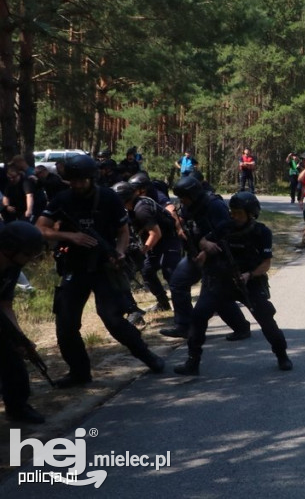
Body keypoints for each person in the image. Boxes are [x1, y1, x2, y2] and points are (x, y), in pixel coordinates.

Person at [36, 155, 165, 388]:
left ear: (91, 178)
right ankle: (79, 372)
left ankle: (147, 356)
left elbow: (123, 231)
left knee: (113, 320)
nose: (76, 185)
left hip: (104, 267)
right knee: (65, 324)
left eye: (81, 180)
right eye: (72, 180)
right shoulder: (62, 199)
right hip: (74, 267)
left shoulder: (108, 198)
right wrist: (69, 236)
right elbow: (40, 228)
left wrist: (119, 251)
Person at [174, 192, 291, 375]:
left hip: (249, 283)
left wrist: (249, 275)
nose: (234, 216)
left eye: (239, 213)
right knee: (198, 317)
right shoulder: (224, 227)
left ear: (251, 213)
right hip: (220, 281)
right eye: (233, 212)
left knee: (266, 319)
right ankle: (192, 361)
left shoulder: (262, 232)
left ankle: (282, 355)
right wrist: (206, 246)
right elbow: (204, 239)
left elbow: (266, 264)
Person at [159, 176, 251, 341]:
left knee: (217, 295)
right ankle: (183, 326)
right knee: (177, 283)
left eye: (184, 197)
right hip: (195, 254)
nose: (182, 200)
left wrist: (207, 251)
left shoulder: (215, 206)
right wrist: (180, 228)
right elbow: (183, 219)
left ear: (193, 194)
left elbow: (227, 232)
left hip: (218, 257)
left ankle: (241, 327)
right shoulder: (189, 206)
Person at [0, 221, 48, 423]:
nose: (30, 260)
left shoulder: (11, 269)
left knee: (13, 359)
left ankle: (18, 407)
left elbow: (4, 305)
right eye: (27, 254)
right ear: (10, 248)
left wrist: (21, 339)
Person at [113, 180, 179, 313]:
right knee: (147, 270)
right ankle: (163, 303)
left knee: (169, 271)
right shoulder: (132, 207)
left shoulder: (141, 209)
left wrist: (143, 251)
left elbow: (156, 233)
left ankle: (181, 308)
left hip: (168, 240)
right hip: (157, 242)